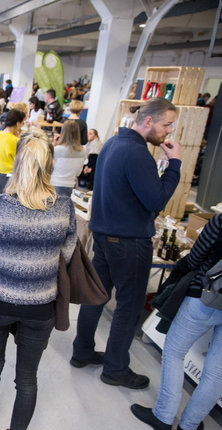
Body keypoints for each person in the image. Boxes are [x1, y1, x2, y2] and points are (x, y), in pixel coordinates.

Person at [0, 129, 76, 430]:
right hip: (41, 304)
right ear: (50, 165)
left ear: (18, 164)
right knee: (27, 377)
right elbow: (68, 254)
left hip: (0, 299)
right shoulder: (64, 207)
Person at [72, 97, 182, 389]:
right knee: (129, 306)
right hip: (129, 241)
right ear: (149, 121)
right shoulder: (137, 153)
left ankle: (82, 351)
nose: (168, 131)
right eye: (167, 124)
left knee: (96, 295)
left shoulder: (111, 143)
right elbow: (156, 199)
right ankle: (116, 368)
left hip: (105, 235)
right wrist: (175, 165)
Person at [130, 214, 222, 430]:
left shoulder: (220, 221)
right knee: (217, 371)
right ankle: (189, 425)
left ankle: (163, 416)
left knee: (174, 352)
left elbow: (196, 257)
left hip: (205, 297)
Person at [0, 109, 26, 195]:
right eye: (22, 123)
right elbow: (21, 159)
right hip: (12, 177)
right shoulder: (15, 140)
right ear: (18, 123)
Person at [51, 120, 86, 197]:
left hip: (55, 184)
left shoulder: (58, 149)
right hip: (70, 185)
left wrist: (54, 144)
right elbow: (78, 172)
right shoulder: (83, 151)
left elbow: (49, 167)